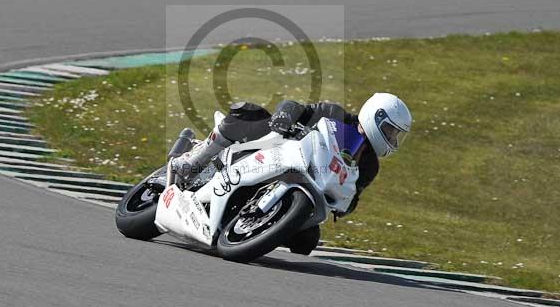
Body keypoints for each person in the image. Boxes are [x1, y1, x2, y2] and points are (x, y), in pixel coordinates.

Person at [172, 93, 412, 218]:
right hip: (276, 150)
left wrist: (346, 207)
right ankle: (194, 162)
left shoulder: (369, 166)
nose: (392, 139)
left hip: (305, 186)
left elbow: (353, 194)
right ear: (375, 116)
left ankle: (254, 224)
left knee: (306, 241)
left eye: (396, 135)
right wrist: (285, 116)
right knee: (249, 114)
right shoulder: (335, 114)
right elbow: (298, 107)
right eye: (391, 131)